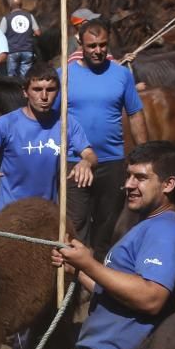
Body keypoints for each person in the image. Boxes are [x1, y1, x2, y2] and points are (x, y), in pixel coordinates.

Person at [37, 141, 175, 349]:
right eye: (128, 176)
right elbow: (116, 290)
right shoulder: (146, 226)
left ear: (169, 184)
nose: (129, 185)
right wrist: (79, 269)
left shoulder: (166, 232)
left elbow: (151, 297)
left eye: (141, 178)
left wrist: (90, 263)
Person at [58, 19, 147, 259]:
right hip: (74, 162)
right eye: (92, 46)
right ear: (80, 45)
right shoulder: (63, 76)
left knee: (108, 225)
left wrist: (146, 153)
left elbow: (135, 114)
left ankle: (99, 279)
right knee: (75, 225)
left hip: (112, 161)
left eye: (103, 45)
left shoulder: (121, 75)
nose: (98, 51)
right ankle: (75, 281)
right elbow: (50, 117)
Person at [0, 62, 96, 210]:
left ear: (58, 92)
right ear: (25, 92)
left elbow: (90, 154)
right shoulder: (6, 124)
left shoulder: (66, 123)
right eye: (37, 89)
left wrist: (86, 163)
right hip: (11, 212)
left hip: (47, 212)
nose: (44, 96)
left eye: (50, 90)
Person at [0, 0, 41, 78]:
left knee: (12, 78)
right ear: (21, 5)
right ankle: (24, 90)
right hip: (27, 50)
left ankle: (13, 90)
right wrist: (30, 34)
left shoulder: (6, 18)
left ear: (10, 6)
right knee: (26, 77)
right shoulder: (29, 16)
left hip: (12, 51)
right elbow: (38, 33)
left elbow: (0, 35)